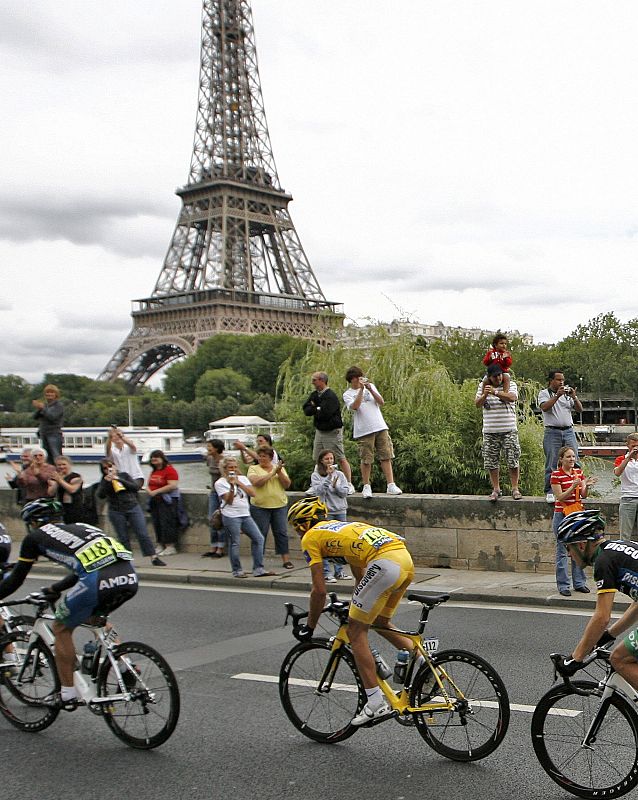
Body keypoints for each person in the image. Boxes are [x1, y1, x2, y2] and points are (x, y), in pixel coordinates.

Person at [287, 496, 416, 725]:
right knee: (379, 622)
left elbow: (319, 591)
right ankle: (425, 666)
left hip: (385, 565)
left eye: (296, 526)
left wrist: (310, 626)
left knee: (356, 632)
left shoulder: (311, 537)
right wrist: (357, 606)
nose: (297, 532)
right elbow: (360, 577)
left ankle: (375, 702)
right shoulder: (342, 529)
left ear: (303, 524)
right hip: (404, 561)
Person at [0, 498, 138, 709]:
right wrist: (55, 589)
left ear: (35, 522)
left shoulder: (34, 538)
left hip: (97, 580)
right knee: (97, 619)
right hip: (128, 576)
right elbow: (85, 565)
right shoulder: (83, 528)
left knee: (61, 627)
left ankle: (67, 694)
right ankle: (125, 665)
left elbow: (16, 578)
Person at [553, 509, 638, 692]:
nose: (569, 555)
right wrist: (610, 634)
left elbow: (601, 617)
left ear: (581, 545)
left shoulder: (603, 561)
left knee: (619, 658)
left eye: (568, 547)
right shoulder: (616, 548)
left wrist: (575, 659)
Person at [342, 366, 402, 498]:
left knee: (386, 455)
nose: (360, 380)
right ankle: (366, 485)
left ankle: (391, 484)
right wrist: (361, 390)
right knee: (366, 459)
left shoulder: (371, 386)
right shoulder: (347, 394)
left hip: (379, 425)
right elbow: (355, 406)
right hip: (364, 430)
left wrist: (369, 389)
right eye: (357, 378)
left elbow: (381, 402)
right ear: (352, 379)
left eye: (360, 377)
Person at [215, 456, 276, 579]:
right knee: (235, 543)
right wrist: (232, 487)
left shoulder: (242, 478)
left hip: (245, 514)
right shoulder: (220, 483)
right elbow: (229, 500)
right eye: (230, 467)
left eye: (235, 467)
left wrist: (238, 483)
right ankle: (237, 570)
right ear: (224, 469)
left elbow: (252, 493)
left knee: (258, 538)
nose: (233, 469)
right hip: (231, 516)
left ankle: (258, 568)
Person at [96, 459, 165, 567]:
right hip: (116, 510)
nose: (108, 469)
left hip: (132, 506)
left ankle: (153, 557)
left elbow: (134, 487)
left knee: (142, 533)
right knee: (123, 536)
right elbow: (100, 495)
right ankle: (127, 560)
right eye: (105, 468)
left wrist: (118, 479)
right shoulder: (104, 480)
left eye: (110, 466)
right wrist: (106, 481)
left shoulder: (124, 475)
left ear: (115, 466)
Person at [550, 446, 597, 596]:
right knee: (562, 550)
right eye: (568, 457)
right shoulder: (556, 475)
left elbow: (583, 495)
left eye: (573, 457)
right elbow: (560, 497)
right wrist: (573, 486)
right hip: (562, 514)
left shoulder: (578, 473)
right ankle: (563, 585)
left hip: (577, 513)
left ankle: (579, 582)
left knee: (579, 548)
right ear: (561, 459)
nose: (572, 459)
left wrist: (586, 486)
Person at [474, 364, 522, 501]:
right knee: (491, 461)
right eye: (495, 376)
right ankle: (496, 489)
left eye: (500, 375)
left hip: (509, 429)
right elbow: (477, 403)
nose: (498, 378)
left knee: (513, 459)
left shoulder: (510, 384)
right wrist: (485, 394)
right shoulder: (483, 386)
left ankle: (515, 488)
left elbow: (512, 397)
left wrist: (495, 392)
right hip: (490, 430)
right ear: (489, 377)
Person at [302, 371, 354, 494]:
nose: (312, 382)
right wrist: (317, 408)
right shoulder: (315, 395)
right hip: (320, 430)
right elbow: (306, 409)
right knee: (317, 457)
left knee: (339, 457)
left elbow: (325, 413)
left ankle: (348, 483)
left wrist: (316, 408)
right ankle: (316, 483)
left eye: (314, 380)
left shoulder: (331, 396)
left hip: (332, 431)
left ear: (321, 380)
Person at [538, 371, 583, 504]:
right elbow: (545, 407)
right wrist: (557, 396)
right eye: (558, 380)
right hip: (552, 431)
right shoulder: (544, 393)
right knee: (552, 462)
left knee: (574, 460)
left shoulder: (567, 395)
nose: (561, 382)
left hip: (568, 430)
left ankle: (578, 488)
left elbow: (580, 410)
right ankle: (550, 491)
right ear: (551, 381)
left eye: (563, 380)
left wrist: (574, 397)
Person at [307, 449, 351, 582]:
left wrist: (336, 485)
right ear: (321, 461)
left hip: (340, 511)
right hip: (326, 511)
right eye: (327, 459)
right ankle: (327, 572)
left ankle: (339, 571)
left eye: (331, 459)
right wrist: (327, 478)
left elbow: (344, 492)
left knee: (340, 543)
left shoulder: (340, 475)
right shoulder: (316, 475)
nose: (330, 461)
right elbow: (318, 490)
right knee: (325, 543)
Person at [247, 446, 293, 569]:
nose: (262, 458)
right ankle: (258, 561)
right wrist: (272, 473)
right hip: (260, 506)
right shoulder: (253, 468)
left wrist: (279, 473)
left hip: (279, 505)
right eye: (260, 456)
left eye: (264, 456)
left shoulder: (279, 469)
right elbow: (256, 482)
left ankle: (286, 560)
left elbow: (287, 484)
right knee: (260, 534)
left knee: (281, 533)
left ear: (270, 458)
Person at [147, 450, 180, 557]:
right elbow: (149, 483)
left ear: (162, 458)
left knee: (167, 523)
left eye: (156, 457)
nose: (153, 459)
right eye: (152, 457)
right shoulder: (154, 471)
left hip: (166, 500)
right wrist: (149, 491)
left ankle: (170, 546)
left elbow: (173, 485)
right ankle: (160, 544)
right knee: (157, 523)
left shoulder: (170, 470)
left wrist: (156, 491)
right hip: (155, 500)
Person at [202, 439, 226, 558]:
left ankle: (220, 548)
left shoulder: (224, 460)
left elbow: (226, 476)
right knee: (211, 518)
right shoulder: (210, 459)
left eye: (210, 447)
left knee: (220, 519)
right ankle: (213, 546)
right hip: (213, 492)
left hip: (222, 493)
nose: (208, 449)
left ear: (216, 448)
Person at [613, 433, 638, 539]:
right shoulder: (621, 459)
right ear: (628, 446)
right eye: (633, 446)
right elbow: (617, 473)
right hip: (628, 497)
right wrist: (629, 457)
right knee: (625, 534)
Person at [32, 384, 64, 464]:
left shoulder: (58, 405)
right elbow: (35, 417)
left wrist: (43, 408)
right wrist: (39, 409)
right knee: (46, 457)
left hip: (54, 434)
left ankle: (59, 472)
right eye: (47, 392)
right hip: (44, 434)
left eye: (51, 392)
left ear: (56, 394)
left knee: (56, 456)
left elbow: (52, 417)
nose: (49, 394)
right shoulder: (45, 405)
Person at [50, 456, 85, 524]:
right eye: (59, 465)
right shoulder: (54, 477)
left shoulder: (76, 477)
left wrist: (60, 480)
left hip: (75, 507)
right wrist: (56, 482)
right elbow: (51, 492)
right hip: (60, 506)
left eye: (64, 464)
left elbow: (72, 490)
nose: (61, 467)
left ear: (69, 465)